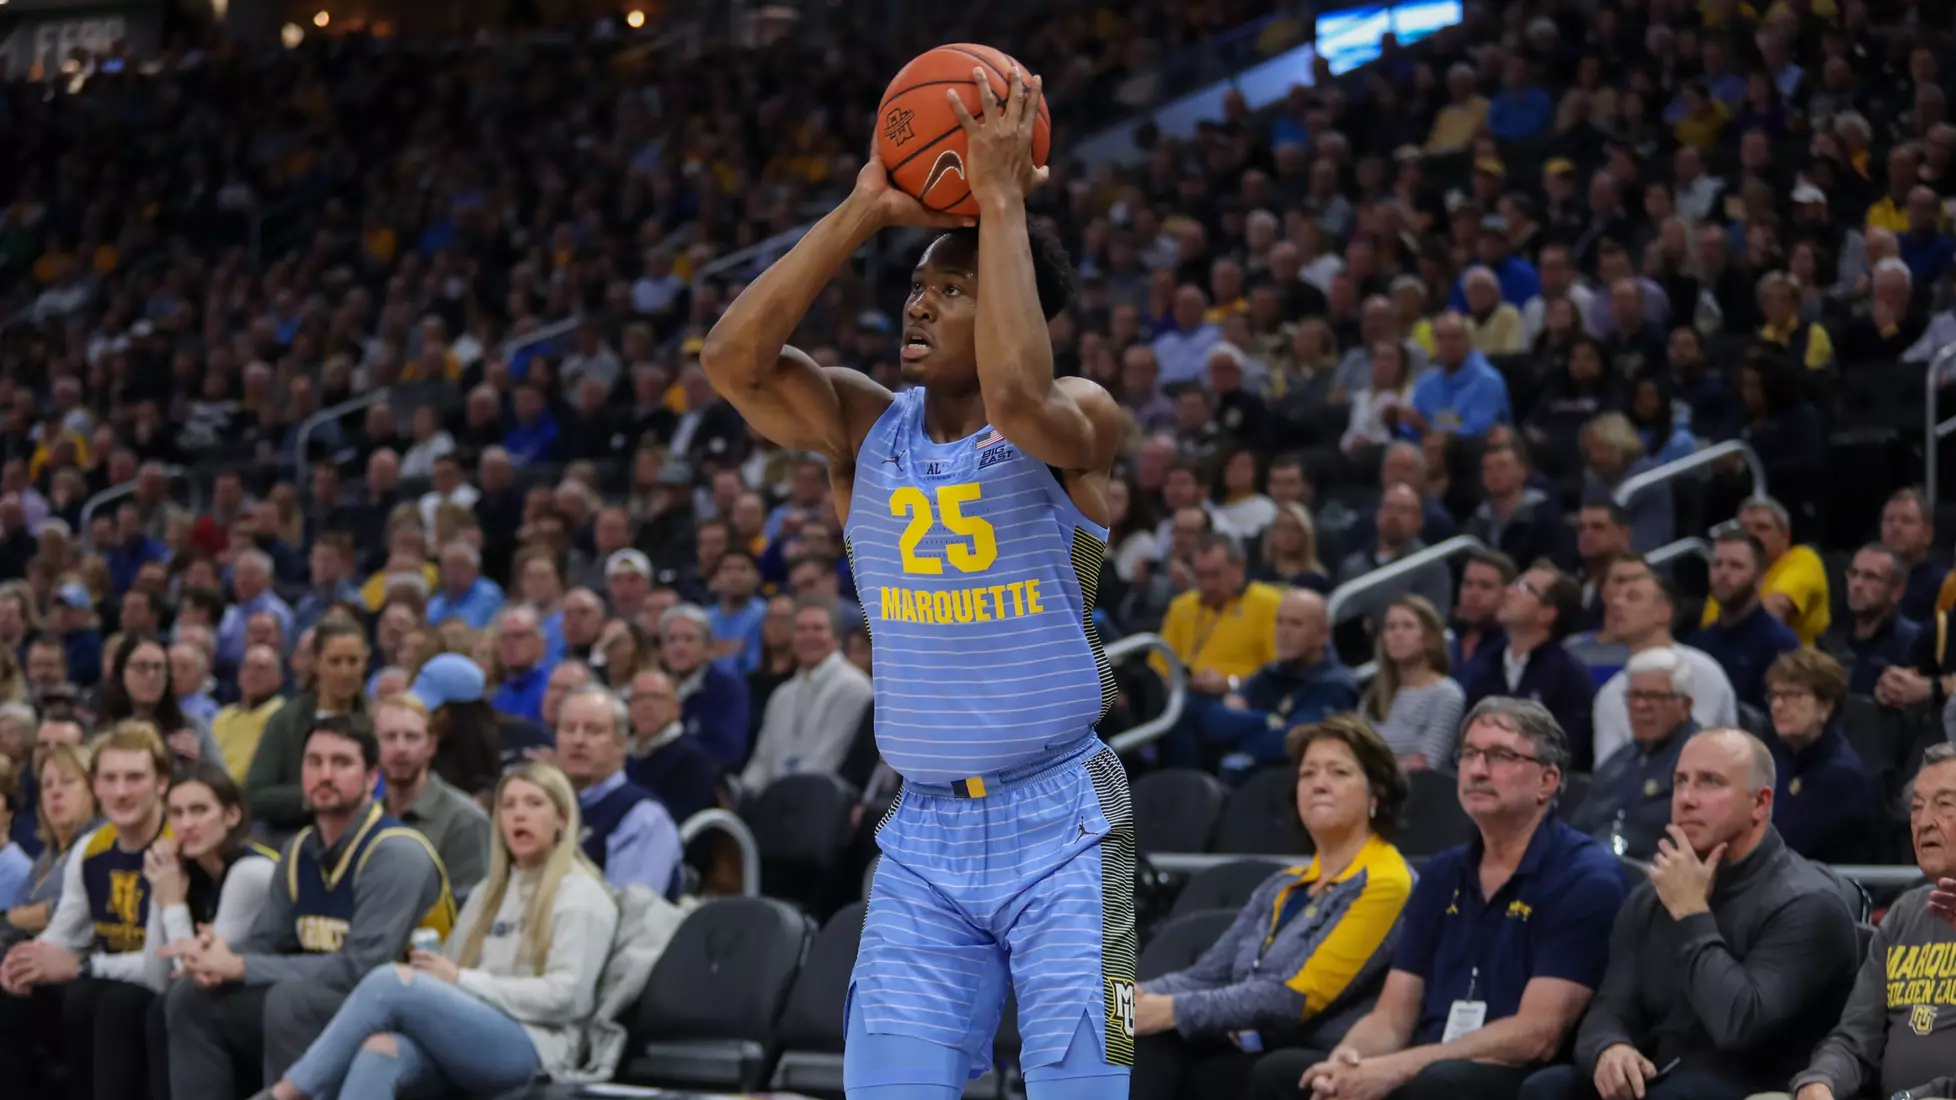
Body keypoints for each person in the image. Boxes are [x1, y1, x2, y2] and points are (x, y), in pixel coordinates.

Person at [701, 65, 1139, 1099]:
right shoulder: (863, 425)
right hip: (925, 830)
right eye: (918, 286)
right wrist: (865, 204)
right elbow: (731, 360)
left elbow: (1019, 396)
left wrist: (1000, 201)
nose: (920, 303)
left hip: (1070, 822)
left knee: (1094, 1080)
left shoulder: (1081, 416)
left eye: (953, 288)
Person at [1247, 698, 1628, 1100]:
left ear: (1547, 781)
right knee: (1284, 1074)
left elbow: (1536, 1035)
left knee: (1440, 1084)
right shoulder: (1443, 873)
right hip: (1431, 1062)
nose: (1478, 770)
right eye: (1468, 754)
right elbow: (1392, 1018)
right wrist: (1346, 1064)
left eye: (1500, 756)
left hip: (1514, 1072)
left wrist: (1399, 1067)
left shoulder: (1583, 877)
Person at [1518, 728, 1859, 1100]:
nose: (1686, 798)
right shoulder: (1651, 897)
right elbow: (1610, 1009)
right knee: (1546, 1089)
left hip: (1756, 1083)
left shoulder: (1807, 902)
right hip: (1665, 1076)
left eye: (1710, 783)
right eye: (1680, 781)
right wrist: (1610, 1047)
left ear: (1760, 803)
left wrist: (1691, 912)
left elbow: (1739, 1025)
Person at [248, 763, 619, 1100]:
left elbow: (568, 997)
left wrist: (461, 979)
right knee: (381, 1050)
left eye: (534, 803)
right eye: (508, 805)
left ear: (562, 818)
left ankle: (284, 1094)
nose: (519, 814)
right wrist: (443, 973)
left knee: (390, 982)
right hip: (473, 1031)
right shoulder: (488, 893)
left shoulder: (580, 893)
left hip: (538, 1046)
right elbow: (451, 969)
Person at [163, 715, 454, 1098]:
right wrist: (214, 958)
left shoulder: (397, 852)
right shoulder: (299, 849)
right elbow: (268, 942)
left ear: (371, 779)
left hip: (412, 1009)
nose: (325, 774)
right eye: (314, 763)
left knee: (293, 1000)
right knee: (191, 995)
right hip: (327, 1000)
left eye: (341, 763)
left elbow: (362, 969)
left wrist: (241, 965)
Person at [1133, 716, 1415, 1100]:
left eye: (1339, 772)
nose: (1318, 784)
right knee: (1126, 1033)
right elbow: (1205, 976)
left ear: (1375, 795)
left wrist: (1170, 1011)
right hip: (1251, 1042)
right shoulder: (1284, 884)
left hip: (1318, 1058)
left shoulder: (1386, 881)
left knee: (1157, 1035)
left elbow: (1294, 997)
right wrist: (1125, 1000)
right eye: (1308, 773)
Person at [0, 722, 172, 1098]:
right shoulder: (91, 849)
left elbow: (167, 964)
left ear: (161, 783)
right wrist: (25, 960)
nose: (121, 791)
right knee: (12, 991)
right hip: (107, 975)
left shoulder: (179, 841)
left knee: (103, 1001)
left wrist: (81, 967)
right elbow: (65, 932)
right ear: (96, 786)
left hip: (166, 983)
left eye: (134, 778)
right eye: (109, 779)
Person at [1787, 742, 1956, 1100]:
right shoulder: (1905, 913)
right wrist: (1820, 1082)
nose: (1925, 821)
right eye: (1916, 807)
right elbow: (1855, 1038)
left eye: (1945, 805)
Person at [139, 762, 280, 1098]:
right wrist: (161, 895)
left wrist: (172, 901)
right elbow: (156, 977)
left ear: (231, 816)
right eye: (177, 813)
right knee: (131, 1003)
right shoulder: (189, 870)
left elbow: (192, 975)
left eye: (199, 810)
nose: (186, 824)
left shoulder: (251, 872)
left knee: (174, 1007)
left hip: (276, 997)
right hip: (223, 996)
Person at [1165, 588, 1359, 775]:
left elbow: (1291, 743)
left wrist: (1242, 727)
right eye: (1279, 622)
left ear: (1322, 634)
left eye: (1295, 624)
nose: (1283, 632)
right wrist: (1269, 720)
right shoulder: (1270, 673)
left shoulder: (1335, 685)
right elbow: (1215, 721)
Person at [1462, 561, 1598, 769]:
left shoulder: (1568, 678)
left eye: (1525, 588)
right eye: (1515, 584)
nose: (1508, 592)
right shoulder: (1483, 666)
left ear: (1548, 613)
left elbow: (1564, 753)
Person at [1592, 570, 1737, 765]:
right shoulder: (1610, 693)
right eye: (1615, 598)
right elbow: (1608, 775)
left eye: (1632, 598)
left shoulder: (1701, 672)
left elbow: (1705, 755)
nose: (1617, 604)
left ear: (1664, 612)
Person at [554, 682, 683, 897]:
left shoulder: (644, 819)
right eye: (568, 729)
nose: (577, 740)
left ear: (621, 744)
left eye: (593, 730)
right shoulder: (547, 807)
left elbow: (628, 915)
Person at [1569, 648, 1696, 861]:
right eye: (1635, 695)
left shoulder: (1699, 760)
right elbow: (1580, 823)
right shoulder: (1619, 759)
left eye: (1655, 696)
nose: (1640, 706)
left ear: (1685, 705)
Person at [247, 618, 372, 831]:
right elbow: (256, 795)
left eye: (353, 661)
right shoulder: (286, 721)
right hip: (296, 835)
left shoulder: (375, 721)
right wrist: (316, 795)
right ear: (316, 662)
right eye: (335, 661)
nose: (345, 672)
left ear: (366, 662)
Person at [740, 597, 874, 791]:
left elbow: (826, 762)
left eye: (818, 628)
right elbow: (762, 760)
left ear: (836, 639)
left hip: (819, 805)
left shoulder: (854, 686)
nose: (808, 636)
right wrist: (744, 794)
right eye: (801, 629)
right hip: (776, 803)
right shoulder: (782, 694)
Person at [1762, 649, 1878, 863]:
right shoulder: (1777, 757)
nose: (1778, 705)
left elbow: (1788, 846)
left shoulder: (1842, 777)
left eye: (1793, 695)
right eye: (1775, 695)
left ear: (1826, 705)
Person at [374, 693, 492, 893]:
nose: (400, 748)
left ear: (431, 745)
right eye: (389, 737)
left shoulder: (465, 819)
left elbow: (471, 908)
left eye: (411, 737)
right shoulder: (367, 816)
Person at [1686, 529, 1801, 710]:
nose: (1723, 573)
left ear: (1760, 578)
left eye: (1736, 566)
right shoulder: (1698, 643)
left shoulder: (1781, 645)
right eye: (1717, 564)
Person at [1699, 497, 1830, 646]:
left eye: (1762, 527)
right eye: (1743, 527)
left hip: (1790, 663)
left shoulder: (1803, 558)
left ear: (1785, 536)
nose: (1751, 535)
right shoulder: (1729, 569)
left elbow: (1775, 609)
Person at [1, 741, 97, 945]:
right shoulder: (48, 855)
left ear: (94, 790)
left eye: (67, 781)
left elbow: (72, 910)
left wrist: (12, 918)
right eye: (47, 785)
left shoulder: (99, 845)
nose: (55, 792)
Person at [1363, 597, 1465, 772]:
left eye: (1408, 626)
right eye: (1391, 627)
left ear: (1429, 637)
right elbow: (1355, 750)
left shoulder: (1446, 694)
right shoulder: (1376, 692)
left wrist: (1371, 771)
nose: (1397, 634)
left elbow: (1427, 763)